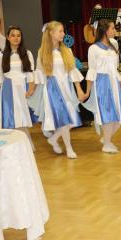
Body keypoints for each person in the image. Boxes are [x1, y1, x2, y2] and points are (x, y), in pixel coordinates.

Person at [34, 21, 87, 159]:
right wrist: (33, 91)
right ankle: (69, 148)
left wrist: (79, 90)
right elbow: (39, 73)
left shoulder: (67, 50)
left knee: (71, 119)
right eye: (60, 31)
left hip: (66, 88)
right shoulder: (42, 52)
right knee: (64, 119)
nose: (63, 34)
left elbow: (72, 71)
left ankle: (53, 139)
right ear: (51, 33)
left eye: (63, 31)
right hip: (52, 89)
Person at [82, 19, 121, 154]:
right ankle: (107, 144)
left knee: (119, 115)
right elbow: (92, 71)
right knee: (108, 114)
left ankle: (106, 139)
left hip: (114, 83)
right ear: (105, 30)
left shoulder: (113, 45)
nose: (115, 30)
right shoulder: (93, 49)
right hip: (102, 84)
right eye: (112, 28)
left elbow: (114, 70)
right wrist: (87, 92)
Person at [0, 26, 36, 151]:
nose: (16, 38)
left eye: (18, 35)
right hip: (8, 90)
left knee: (22, 118)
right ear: (8, 37)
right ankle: (12, 147)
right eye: (13, 35)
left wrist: (30, 89)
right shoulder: (1, 55)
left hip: (23, 89)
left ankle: (27, 146)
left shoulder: (27, 53)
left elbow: (31, 74)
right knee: (10, 118)